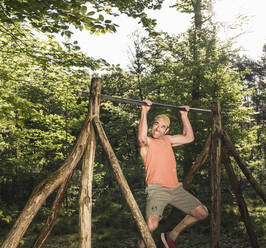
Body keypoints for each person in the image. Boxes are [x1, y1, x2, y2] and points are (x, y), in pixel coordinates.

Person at [137, 100, 208, 248]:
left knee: (202, 213)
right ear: (152, 125)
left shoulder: (167, 140)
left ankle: (172, 236)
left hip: (176, 189)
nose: (158, 128)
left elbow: (189, 137)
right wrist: (144, 111)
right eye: (156, 123)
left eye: (162, 126)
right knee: (151, 225)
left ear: (166, 131)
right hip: (157, 189)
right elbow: (141, 138)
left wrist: (184, 116)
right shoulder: (147, 143)